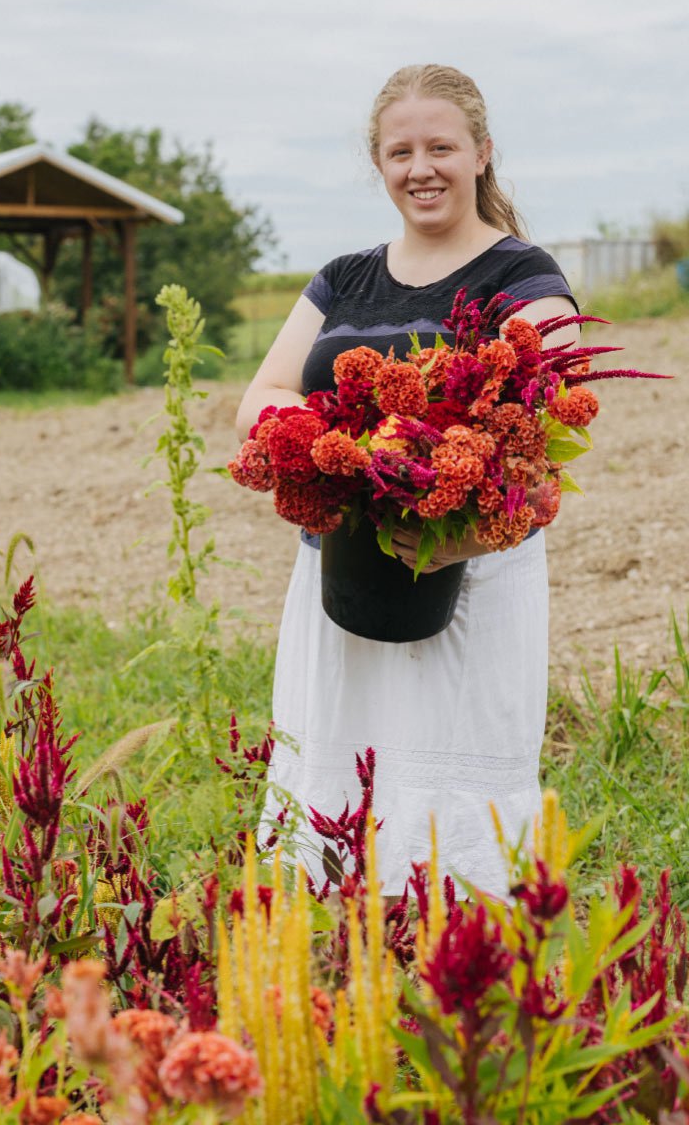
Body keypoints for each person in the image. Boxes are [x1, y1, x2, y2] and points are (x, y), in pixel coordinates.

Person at [235, 64, 580, 898]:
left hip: (465, 582)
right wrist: (338, 452)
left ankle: (457, 966)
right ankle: (345, 955)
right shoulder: (344, 278)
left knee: (448, 805)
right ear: (379, 165)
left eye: (441, 147)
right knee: (340, 777)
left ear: (482, 154)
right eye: (400, 152)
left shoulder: (522, 276)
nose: (420, 167)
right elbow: (263, 397)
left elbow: (543, 426)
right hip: (340, 569)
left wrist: (437, 509)